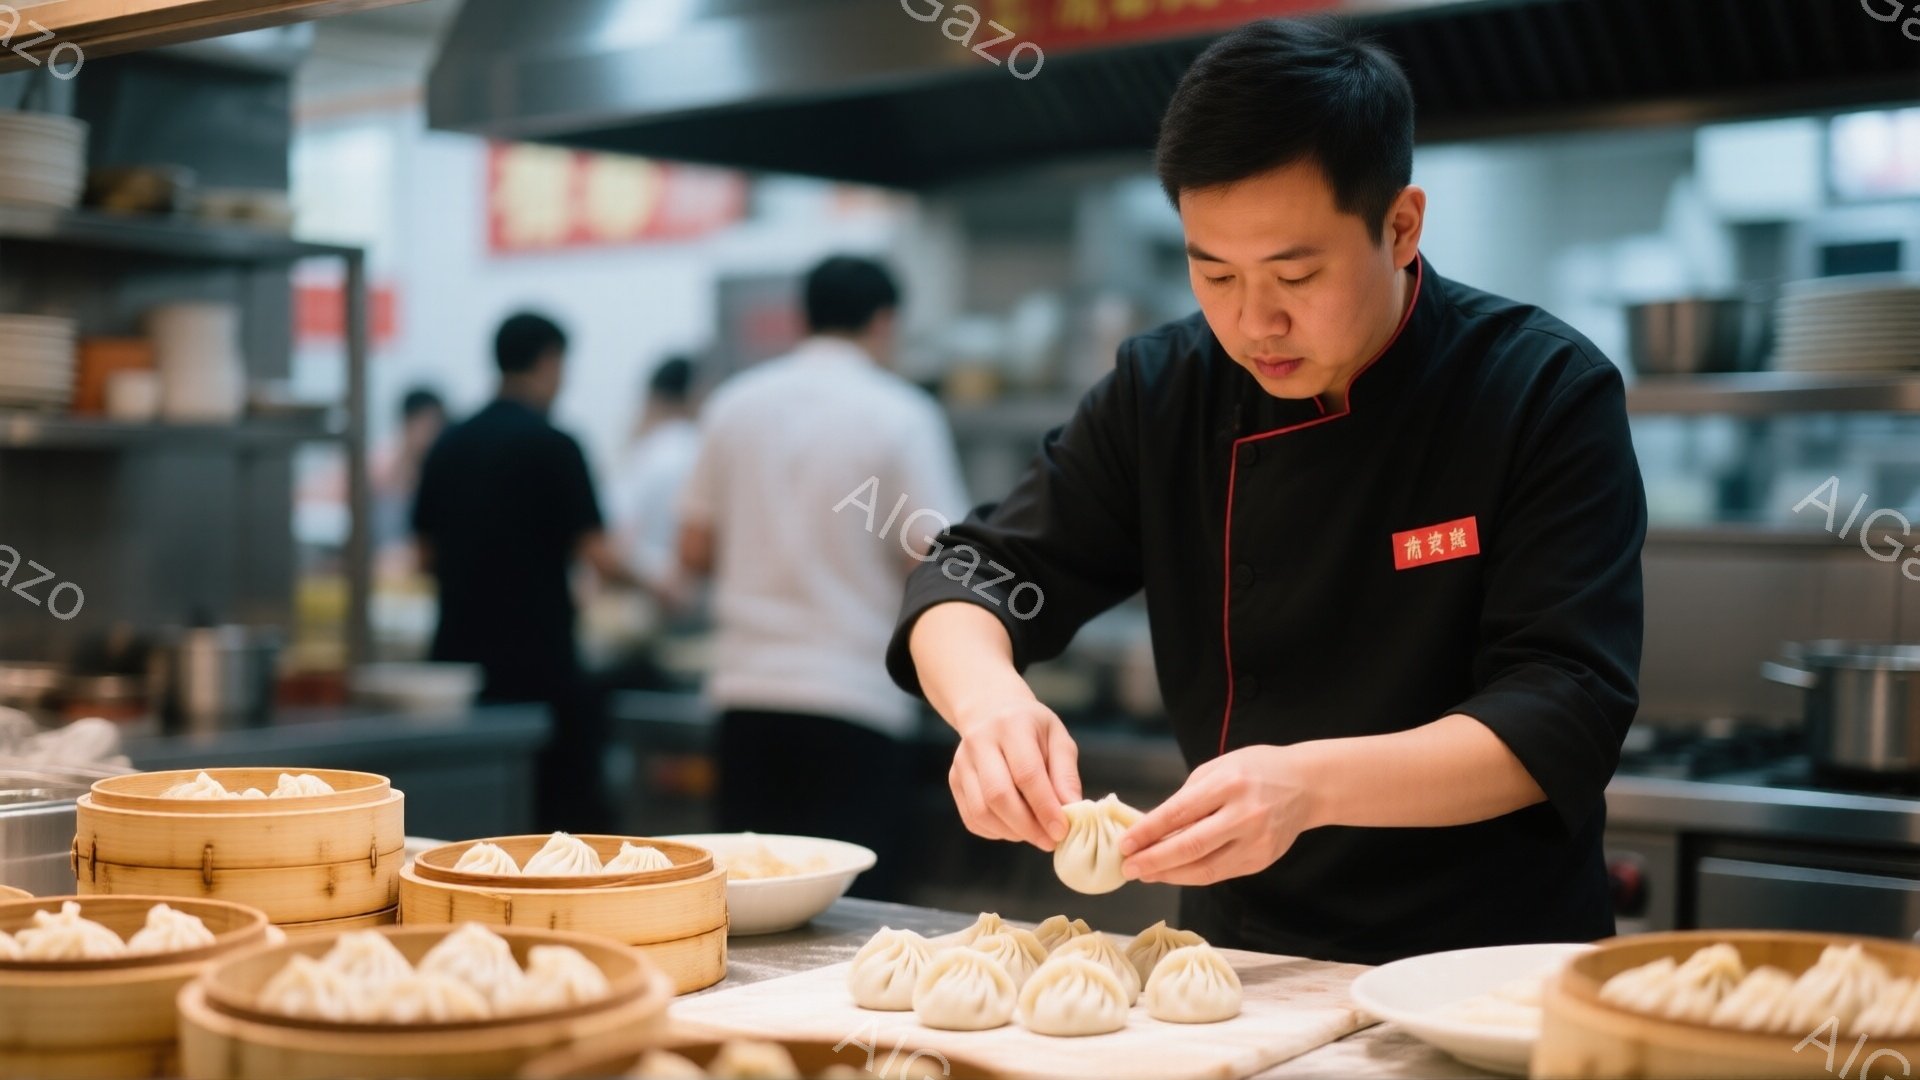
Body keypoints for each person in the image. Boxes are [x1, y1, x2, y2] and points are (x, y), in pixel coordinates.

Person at [887, 17, 1647, 964]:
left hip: (1483, 963)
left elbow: (1565, 706)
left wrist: (1309, 786)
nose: (1255, 322)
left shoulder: (1540, 389)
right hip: (1244, 960)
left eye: (1296, 273)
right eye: (1214, 273)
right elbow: (976, 570)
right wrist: (990, 706)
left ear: (1400, 226)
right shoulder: (1166, 389)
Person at [678, 256, 968, 901]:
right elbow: (934, 557)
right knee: (856, 914)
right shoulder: (901, 412)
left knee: (741, 907)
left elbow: (693, 550)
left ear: (803, 316)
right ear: (884, 321)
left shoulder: (733, 404)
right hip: (855, 695)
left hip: (746, 692)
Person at [412, 311, 643, 833]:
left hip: (459, 666)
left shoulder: (448, 443)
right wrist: (661, 587)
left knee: (472, 823)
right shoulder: (555, 444)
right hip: (540, 665)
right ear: (549, 361)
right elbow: (598, 554)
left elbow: (423, 556)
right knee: (557, 825)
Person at [610, 356, 702, 606]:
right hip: (698, 594)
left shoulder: (646, 454)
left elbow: (620, 533)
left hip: (650, 594)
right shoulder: (700, 447)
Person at [371, 387, 446, 575]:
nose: (430, 435)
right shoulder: (380, 470)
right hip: (380, 571)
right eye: (424, 425)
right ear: (406, 423)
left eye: (435, 426)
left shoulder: (443, 476)